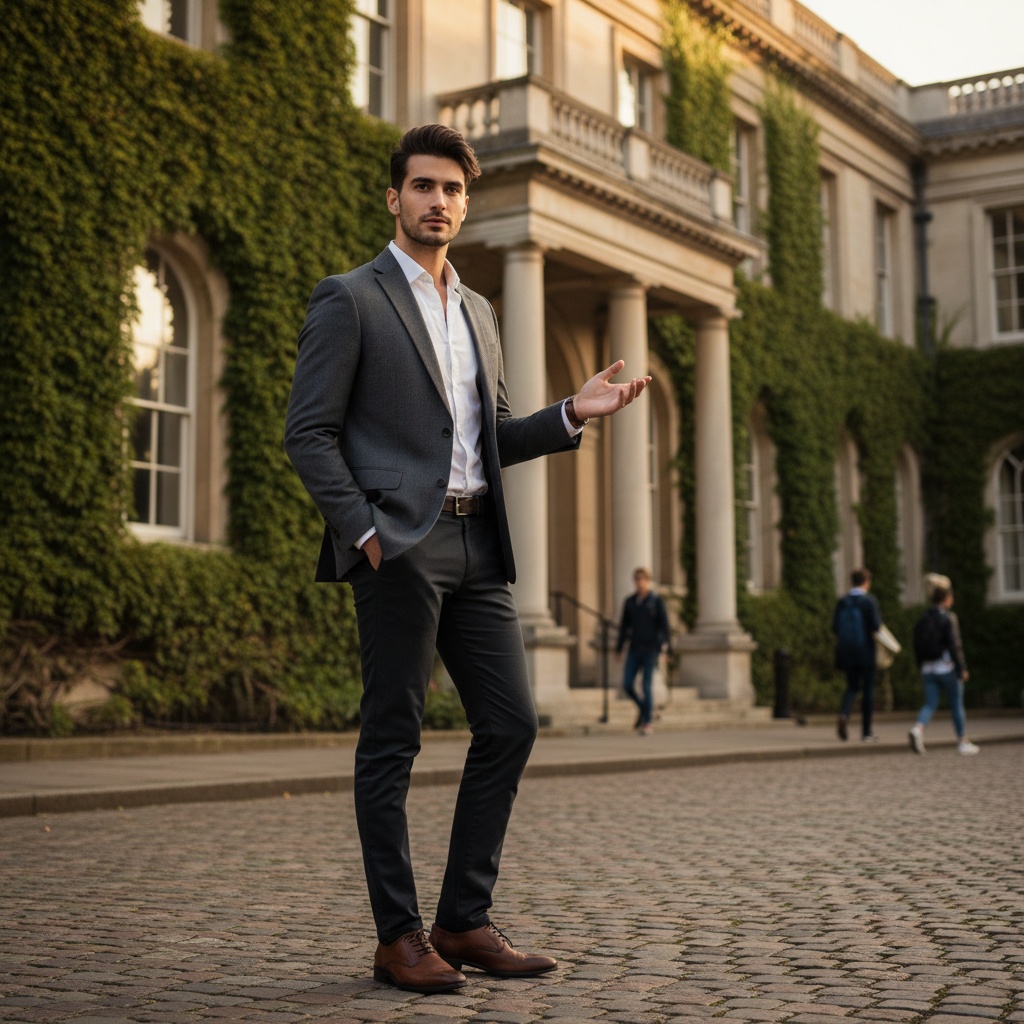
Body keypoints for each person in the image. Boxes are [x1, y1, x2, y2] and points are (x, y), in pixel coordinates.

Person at [284, 124, 651, 994]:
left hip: (478, 542)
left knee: (512, 723)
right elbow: (309, 432)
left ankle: (463, 919)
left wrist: (572, 412)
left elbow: (490, 437)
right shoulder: (352, 298)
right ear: (394, 197)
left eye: (452, 189)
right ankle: (398, 937)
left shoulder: (481, 311)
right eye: (423, 187)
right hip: (400, 548)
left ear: (464, 200)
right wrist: (366, 533)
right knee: (393, 740)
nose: (438, 202)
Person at [909, 585, 979, 756]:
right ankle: (962, 741)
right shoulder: (949, 618)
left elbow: (916, 643)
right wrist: (961, 667)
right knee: (956, 704)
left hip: (928, 668)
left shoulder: (923, 618)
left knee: (930, 703)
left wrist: (920, 665)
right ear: (947, 599)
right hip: (946, 667)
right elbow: (955, 645)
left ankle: (918, 729)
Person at [615, 567, 670, 735]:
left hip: (650, 650)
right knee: (627, 684)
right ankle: (644, 708)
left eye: (643, 579)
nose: (640, 583)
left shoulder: (655, 601)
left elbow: (665, 627)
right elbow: (624, 627)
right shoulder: (631, 602)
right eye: (637, 579)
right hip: (634, 649)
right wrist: (619, 648)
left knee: (646, 685)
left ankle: (647, 721)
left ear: (648, 581)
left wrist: (665, 648)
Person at [832, 567, 883, 742]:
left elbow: (834, 628)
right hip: (866, 652)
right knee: (868, 690)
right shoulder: (869, 601)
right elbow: (876, 627)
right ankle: (866, 731)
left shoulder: (843, 601)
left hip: (846, 652)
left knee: (852, 687)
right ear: (866, 582)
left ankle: (844, 713)